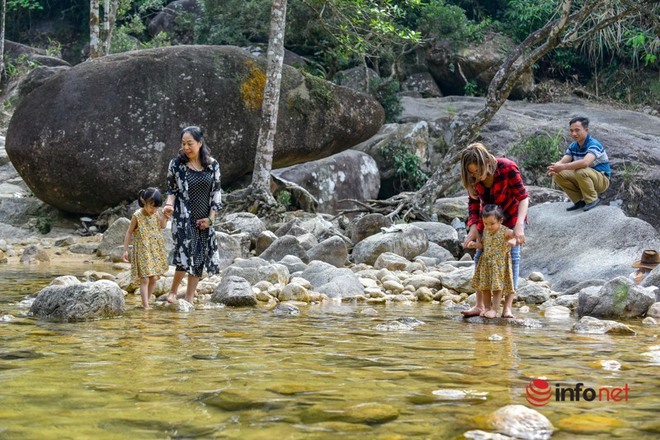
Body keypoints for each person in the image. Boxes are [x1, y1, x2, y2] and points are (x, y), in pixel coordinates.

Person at [459, 142, 529, 318]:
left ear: (486, 163)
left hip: (511, 221)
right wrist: (473, 228)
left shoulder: (507, 167)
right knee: (480, 259)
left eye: (478, 171)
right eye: (472, 173)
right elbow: (474, 203)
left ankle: (507, 308)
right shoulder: (473, 178)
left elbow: (523, 197)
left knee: (512, 261)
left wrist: (519, 224)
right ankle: (479, 306)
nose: (476, 176)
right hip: (488, 223)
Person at [162, 126, 222, 304]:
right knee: (183, 254)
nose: (186, 148)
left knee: (198, 258)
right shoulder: (176, 164)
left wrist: (211, 218)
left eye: (190, 143)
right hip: (182, 217)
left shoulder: (212, 165)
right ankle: (172, 292)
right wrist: (168, 205)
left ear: (200, 143)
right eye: (183, 144)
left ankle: (188, 299)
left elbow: (216, 193)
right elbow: (171, 190)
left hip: (203, 218)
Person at [547, 116, 611, 212]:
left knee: (581, 170)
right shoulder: (573, 145)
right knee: (558, 174)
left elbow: (585, 162)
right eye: (571, 131)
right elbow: (564, 160)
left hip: (601, 180)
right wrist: (554, 168)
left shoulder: (594, 144)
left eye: (577, 130)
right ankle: (579, 201)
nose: (574, 133)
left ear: (586, 130)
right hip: (584, 177)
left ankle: (592, 200)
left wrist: (563, 167)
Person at [466, 205, 517, 318]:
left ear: (500, 221)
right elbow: (483, 245)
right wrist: (475, 245)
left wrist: (513, 241)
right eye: (486, 223)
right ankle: (487, 307)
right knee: (485, 287)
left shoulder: (505, 231)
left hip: (499, 264)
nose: (489, 226)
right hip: (486, 263)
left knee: (497, 287)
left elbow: (515, 237)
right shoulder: (485, 231)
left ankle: (495, 309)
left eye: (492, 224)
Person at [122, 187, 170, 309]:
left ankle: (146, 302)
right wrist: (125, 250)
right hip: (142, 251)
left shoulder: (156, 213)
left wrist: (165, 216)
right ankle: (145, 306)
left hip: (154, 250)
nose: (153, 210)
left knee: (154, 278)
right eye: (151, 206)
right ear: (144, 202)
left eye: (156, 207)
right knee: (145, 279)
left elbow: (163, 226)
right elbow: (129, 232)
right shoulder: (137, 216)